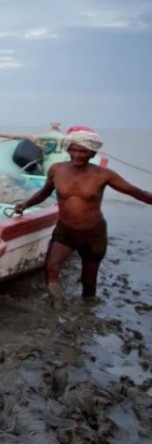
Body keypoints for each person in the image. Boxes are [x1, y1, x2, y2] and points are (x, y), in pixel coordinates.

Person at [14, 126, 152, 308]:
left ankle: (87, 311)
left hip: (93, 234)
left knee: (88, 283)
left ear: (92, 153)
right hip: (65, 231)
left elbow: (136, 192)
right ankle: (56, 306)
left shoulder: (103, 175)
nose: (78, 155)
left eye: (83, 151)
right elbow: (44, 193)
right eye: (74, 149)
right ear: (68, 149)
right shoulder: (57, 170)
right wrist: (25, 205)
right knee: (52, 268)